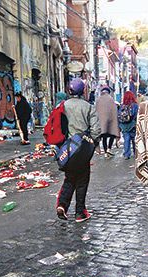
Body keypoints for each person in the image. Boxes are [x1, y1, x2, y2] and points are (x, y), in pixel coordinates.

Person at [56, 78, 97, 222]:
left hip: (67, 148)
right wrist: (92, 144)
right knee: (82, 180)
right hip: (82, 148)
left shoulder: (63, 106)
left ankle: (62, 204)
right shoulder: (88, 107)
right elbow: (96, 130)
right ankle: (80, 212)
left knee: (69, 178)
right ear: (82, 91)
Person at [96, 86, 120, 157]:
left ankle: (106, 152)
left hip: (101, 123)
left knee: (104, 137)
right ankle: (109, 148)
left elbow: (95, 111)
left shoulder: (98, 100)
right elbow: (114, 111)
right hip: (110, 123)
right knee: (112, 135)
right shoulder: (111, 99)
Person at [118, 91, 139, 160]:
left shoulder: (122, 106)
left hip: (124, 126)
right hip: (132, 125)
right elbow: (137, 115)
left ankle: (127, 154)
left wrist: (119, 126)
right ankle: (136, 153)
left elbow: (118, 116)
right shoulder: (135, 105)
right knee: (134, 140)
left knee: (126, 140)